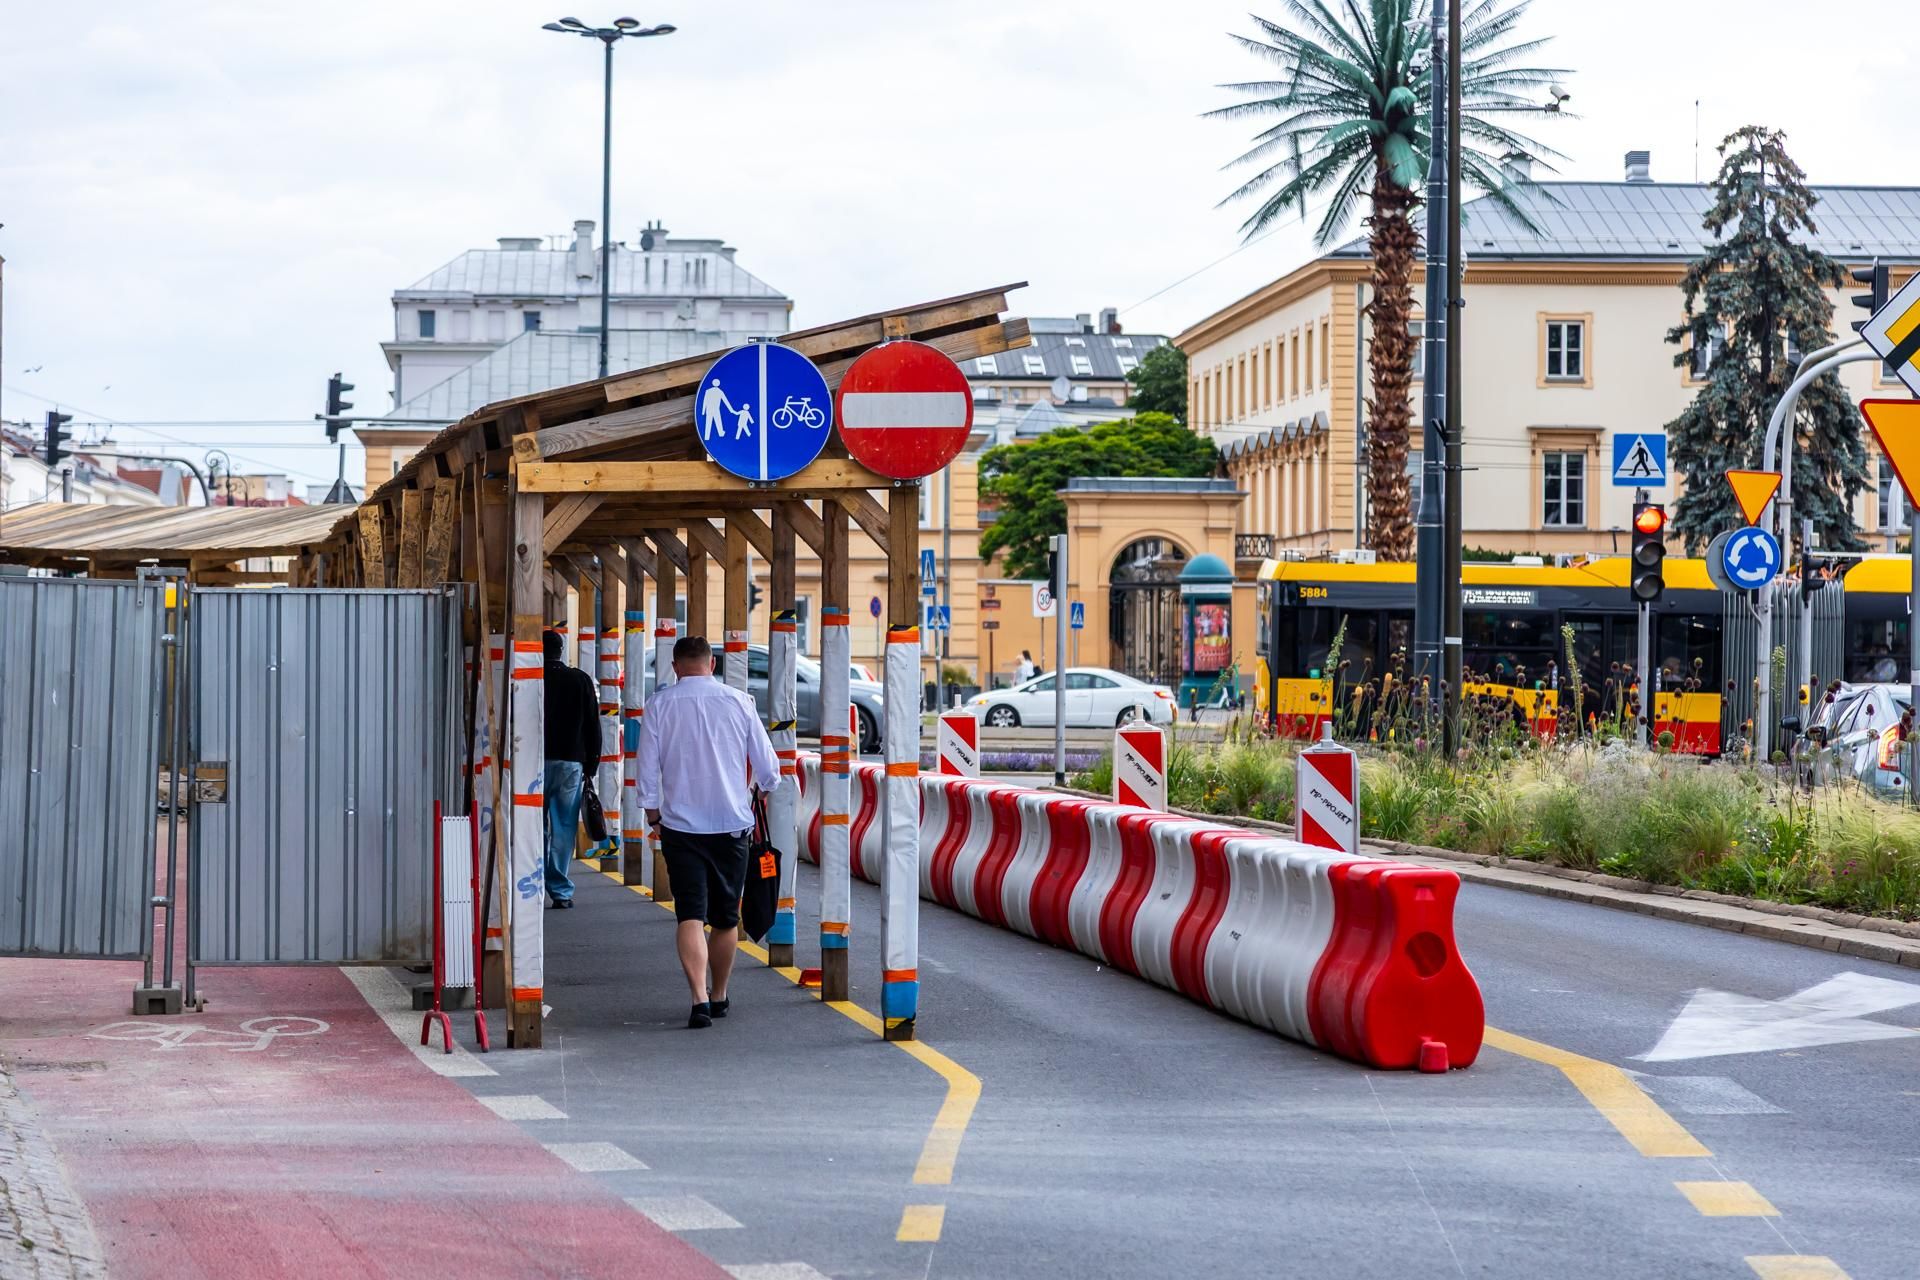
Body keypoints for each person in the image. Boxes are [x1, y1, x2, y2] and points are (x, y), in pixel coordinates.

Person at [636, 634, 779, 1029]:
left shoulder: (659, 705)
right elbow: (769, 771)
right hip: (732, 826)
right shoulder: (739, 702)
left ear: (675, 666)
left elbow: (646, 772)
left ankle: (698, 999)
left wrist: (653, 817)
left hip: (680, 828)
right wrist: (754, 795)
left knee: (690, 915)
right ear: (711, 664)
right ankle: (719, 994)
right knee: (726, 918)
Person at [542, 630, 601, 910]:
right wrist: (591, 765)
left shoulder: (529, 680)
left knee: (533, 827)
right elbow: (593, 725)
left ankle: (532, 885)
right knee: (564, 827)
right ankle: (560, 891)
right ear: (561, 650)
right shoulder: (580, 680)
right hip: (571, 763)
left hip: (532, 763)